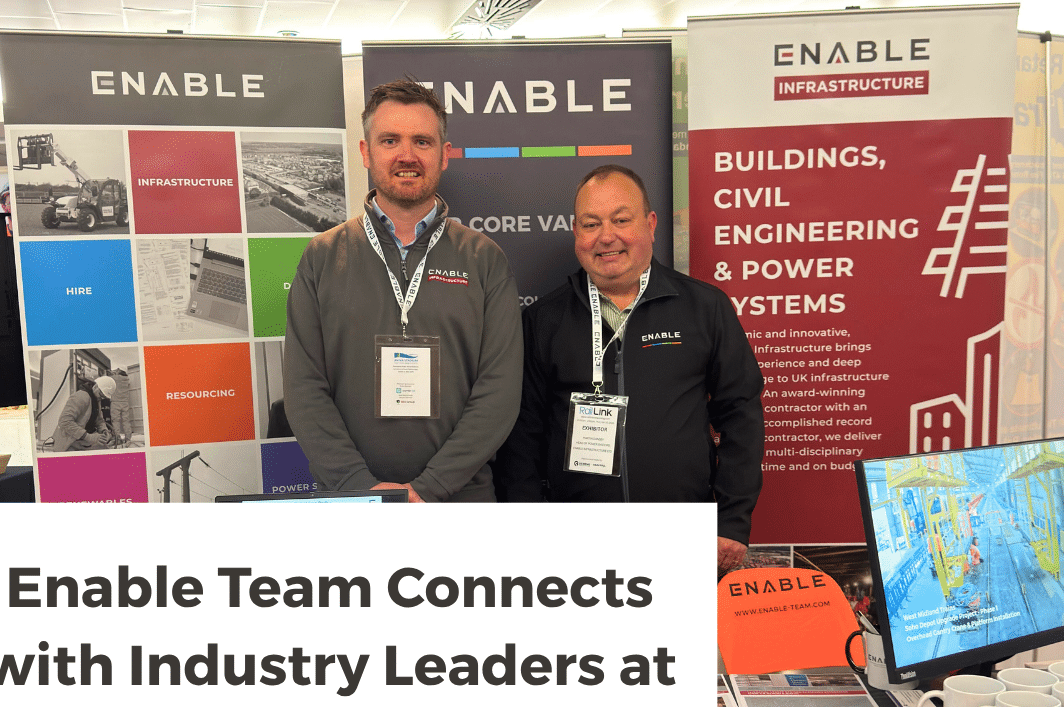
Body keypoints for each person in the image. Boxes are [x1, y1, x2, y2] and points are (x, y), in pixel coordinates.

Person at [494, 164, 764, 571]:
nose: (606, 237)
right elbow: (522, 437)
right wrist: (530, 529)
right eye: (591, 224)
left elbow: (742, 416)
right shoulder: (543, 321)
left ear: (650, 225)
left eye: (621, 220)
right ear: (576, 232)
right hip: (573, 546)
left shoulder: (704, 308)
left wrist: (732, 520)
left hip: (681, 537)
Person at [283, 78, 523, 503]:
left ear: (444, 154)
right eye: (390, 140)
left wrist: (431, 488)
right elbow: (305, 389)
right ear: (366, 152)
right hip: (352, 503)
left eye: (422, 141)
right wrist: (360, 487)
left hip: (459, 501)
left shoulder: (485, 260)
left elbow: (499, 393)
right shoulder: (322, 257)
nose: (406, 155)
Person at [54, 375, 116, 452]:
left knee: (106, 450)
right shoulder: (81, 396)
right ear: (96, 386)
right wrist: (88, 437)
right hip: (70, 441)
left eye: (104, 397)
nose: (102, 398)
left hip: (83, 440)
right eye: (101, 395)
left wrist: (104, 431)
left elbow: (99, 420)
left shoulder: (96, 399)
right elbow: (64, 421)